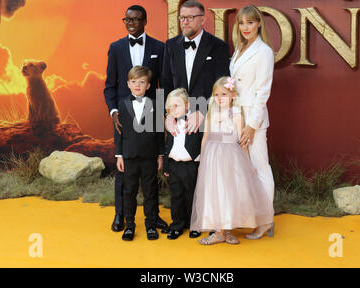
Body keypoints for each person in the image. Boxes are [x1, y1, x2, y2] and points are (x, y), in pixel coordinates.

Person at [104, 5, 168, 233]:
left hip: (151, 115)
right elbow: (110, 85)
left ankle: (154, 218)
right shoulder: (116, 48)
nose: (130, 23)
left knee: (150, 175)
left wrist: (163, 112)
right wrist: (114, 112)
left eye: (135, 19)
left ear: (145, 20)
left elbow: (162, 84)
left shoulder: (159, 47)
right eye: (127, 20)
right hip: (124, 116)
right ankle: (121, 215)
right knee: (125, 171)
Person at [190, 77, 274, 245]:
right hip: (213, 157)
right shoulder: (210, 113)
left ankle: (226, 230)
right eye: (216, 94)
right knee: (215, 192)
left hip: (231, 157)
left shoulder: (236, 115)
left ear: (233, 95)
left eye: (224, 94)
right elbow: (205, 137)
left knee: (229, 193)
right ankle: (218, 231)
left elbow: (242, 142)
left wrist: (248, 164)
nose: (220, 98)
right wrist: (202, 161)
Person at [230, 4, 276, 239]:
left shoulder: (264, 51)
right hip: (237, 116)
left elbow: (262, 92)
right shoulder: (239, 48)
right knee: (244, 170)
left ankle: (266, 220)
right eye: (241, 23)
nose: (245, 27)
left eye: (250, 22)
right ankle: (249, 216)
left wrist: (252, 125)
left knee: (260, 167)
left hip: (253, 119)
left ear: (259, 23)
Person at [161, 0, 230, 144]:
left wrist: (203, 111)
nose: (185, 22)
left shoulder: (219, 46)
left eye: (190, 17)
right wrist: (167, 114)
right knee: (176, 165)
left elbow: (222, 86)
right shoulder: (171, 45)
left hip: (208, 121)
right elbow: (166, 82)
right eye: (182, 17)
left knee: (206, 165)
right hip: (177, 122)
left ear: (202, 19)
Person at [115, 66, 165, 241]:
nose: (138, 85)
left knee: (151, 191)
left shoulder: (156, 104)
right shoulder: (122, 104)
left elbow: (160, 132)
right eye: (134, 82)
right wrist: (119, 155)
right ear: (128, 84)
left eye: (142, 82)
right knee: (129, 192)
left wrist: (160, 155)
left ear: (148, 85)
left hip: (149, 156)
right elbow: (118, 131)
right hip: (129, 156)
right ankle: (129, 225)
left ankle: (151, 225)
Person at [162, 88, 202, 240]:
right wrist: (166, 166)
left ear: (187, 105)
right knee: (176, 196)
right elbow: (168, 146)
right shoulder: (171, 124)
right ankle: (177, 224)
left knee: (192, 196)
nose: (173, 110)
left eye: (176, 106)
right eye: (170, 107)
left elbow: (200, 143)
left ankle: (195, 225)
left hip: (191, 165)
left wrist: (200, 164)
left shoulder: (194, 122)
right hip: (174, 165)